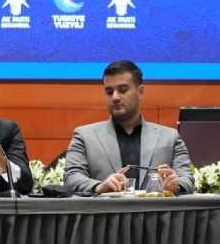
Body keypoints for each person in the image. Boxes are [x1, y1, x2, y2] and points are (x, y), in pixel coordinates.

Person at [64, 60, 195, 195]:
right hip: (105, 208)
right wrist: (99, 187)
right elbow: (71, 177)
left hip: (154, 209)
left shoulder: (170, 137)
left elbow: (187, 179)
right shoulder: (84, 136)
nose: (115, 97)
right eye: (109, 91)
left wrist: (176, 185)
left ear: (140, 91)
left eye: (122, 90)